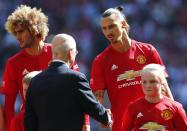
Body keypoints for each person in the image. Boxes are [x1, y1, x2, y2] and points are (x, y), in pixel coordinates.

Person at [1, 4, 86, 131]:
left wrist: (86, 124)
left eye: (21, 31)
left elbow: (80, 90)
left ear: (34, 29)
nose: (17, 37)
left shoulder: (58, 51)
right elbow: (8, 105)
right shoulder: (13, 63)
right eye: (15, 33)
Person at [90, 6, 173, 131]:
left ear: (123, 24)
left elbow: (164, 86)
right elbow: (98, 97)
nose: (108, 32)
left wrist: (173, 113)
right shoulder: (100, 61)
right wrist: (101, 114)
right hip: (123, 126)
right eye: (104, 28)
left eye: (112, 26)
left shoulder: (148, 51)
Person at [24, 33, 113, 131]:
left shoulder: (35, 81)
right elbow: (91, 106)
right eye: (76, 52)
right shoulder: (75, 78)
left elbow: (29, 120)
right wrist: (106, 118)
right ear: (71, 53)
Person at [122, 64, 187, 131]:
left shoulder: (176, 107)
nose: (148, 85)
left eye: (152, 81)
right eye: (144, 82)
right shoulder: (132, 108)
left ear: (161, 82)